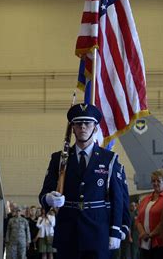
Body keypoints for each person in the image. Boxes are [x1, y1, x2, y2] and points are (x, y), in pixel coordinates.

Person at [39, 103, 124, 259]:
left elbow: (117, 198)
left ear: (95, 128)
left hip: (98, 232)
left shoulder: (109, 159)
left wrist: (116, 230)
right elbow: (43, 194)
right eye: (78, 124)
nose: (83, 127)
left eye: (87, 123)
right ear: (73, 128)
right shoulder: (59, 159)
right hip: (68, 232)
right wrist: (49, 198)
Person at [136, 169, 163, 259]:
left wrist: (150, 235)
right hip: (145, 242)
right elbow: (138, 219)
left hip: (161, 243)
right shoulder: (145, 199)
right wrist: (143, 233)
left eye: (158, 181)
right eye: (153, 181)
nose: (155, 183)